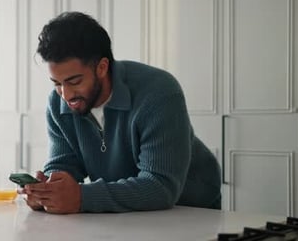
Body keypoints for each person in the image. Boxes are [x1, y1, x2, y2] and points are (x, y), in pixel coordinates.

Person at [19, 11, 221, 214]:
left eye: (75, 81)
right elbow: (64, 166)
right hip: (125, 214)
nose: (66, 94)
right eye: (57, 83)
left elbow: (160, 187)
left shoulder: (159, 92)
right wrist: (47, 192)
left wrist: (81, 197)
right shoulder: (57, 103)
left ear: (102, 67)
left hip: (191, 210)